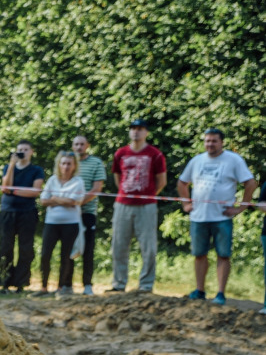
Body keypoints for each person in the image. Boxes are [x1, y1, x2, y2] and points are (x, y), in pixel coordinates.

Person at [176, 129, 257, 306]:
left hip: (222, 217)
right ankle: (200, 290)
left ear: (221, 142)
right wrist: (186, 204)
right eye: (207, 141)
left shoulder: (233, 160)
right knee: (199, 254)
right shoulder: (197, 160)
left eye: (213, 141)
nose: (210, 144)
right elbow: (182, 182)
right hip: (199, 217)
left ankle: (220, 293)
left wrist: (241, 207)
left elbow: (250, 183)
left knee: (223, 254)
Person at [109, 118, 167, 293]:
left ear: (146, 132)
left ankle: (146, 285)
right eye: (133, 128)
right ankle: (118, 284)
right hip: (122, 204)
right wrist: (126, 193)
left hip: (146, 205)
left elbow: (161, 181)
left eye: (140, 129)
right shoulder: (121, 153)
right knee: (119, 245)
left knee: (148, 247)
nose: (136, 132)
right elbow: (117, 176)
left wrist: (148, 196)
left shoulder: (155, 154)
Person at [0, 141, 45, 292]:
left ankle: (21, 283)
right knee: (5, 247)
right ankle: (4, 282)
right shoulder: (8, 167)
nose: (22, 152)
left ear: (31, 152)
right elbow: (5, 187)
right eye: (19, 150)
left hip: (27, 212)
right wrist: (12, 165)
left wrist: (14, 191)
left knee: (25, 248)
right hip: (8, 211)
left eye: (25, 149)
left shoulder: (36, 170)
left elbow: (35, 191)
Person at [38, 151, 86, 295]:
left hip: (70, 224)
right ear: (59, 165)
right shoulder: (52, 180)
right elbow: (43, 200)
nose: (65, 167)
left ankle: (60, 288)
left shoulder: (78, 182)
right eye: (63, 163)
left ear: (74, 166)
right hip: (51, 223)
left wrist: (54, 198)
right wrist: (63, 200)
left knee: (65, 256)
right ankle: (44, 287)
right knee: (45, 254)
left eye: (69, 164)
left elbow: (75, 201)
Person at [72, 134, 107, 294]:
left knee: (88, 249)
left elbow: (96, 189)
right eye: (76, 144)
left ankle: (87, 285)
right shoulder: (68, 162)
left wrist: (79, 202)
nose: (79, 147)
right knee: (69, 249)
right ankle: (66, 284)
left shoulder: (96, 162)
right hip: (69, 212)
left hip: (87, 212)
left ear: (87, 145)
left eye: (81, 144)